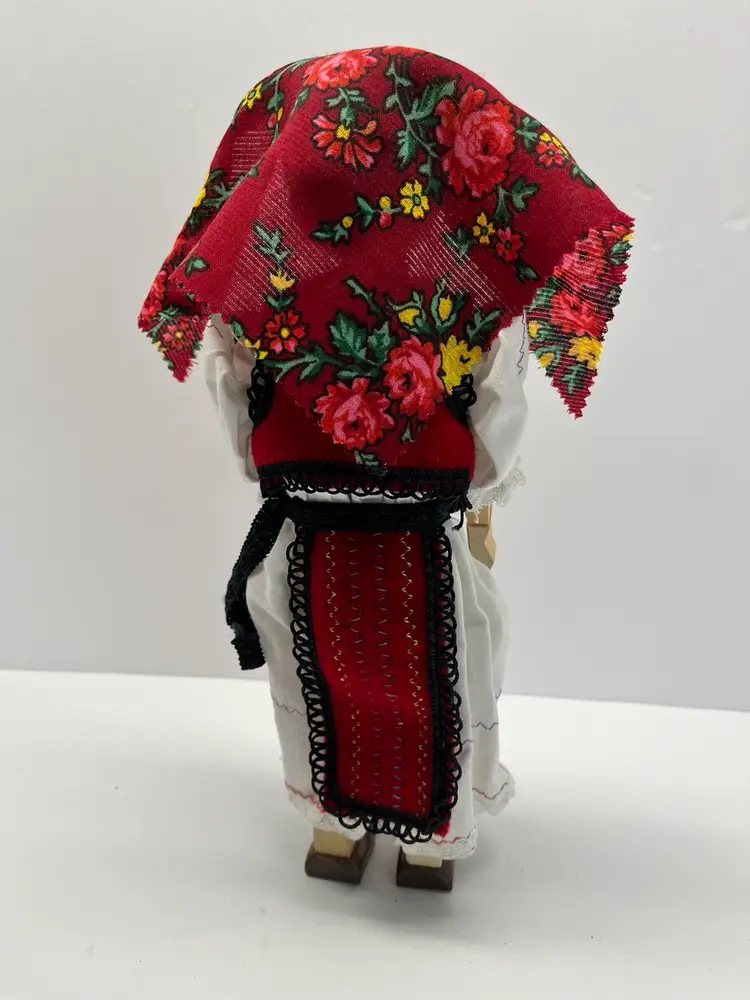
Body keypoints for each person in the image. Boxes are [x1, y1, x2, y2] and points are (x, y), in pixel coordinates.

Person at [138, 46, 633, 891]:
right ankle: (426, 843)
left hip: (308, 529)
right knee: (443, 672)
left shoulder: (256, 293)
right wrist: (481, 501)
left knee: (317, 675)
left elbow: (239, 416)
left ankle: (339, 831)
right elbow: (495, 420)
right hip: (419, 533)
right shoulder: (466, 291)